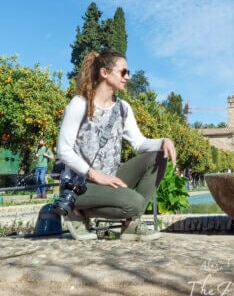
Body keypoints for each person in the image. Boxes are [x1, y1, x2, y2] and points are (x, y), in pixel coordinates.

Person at [57, 50, 177, 241]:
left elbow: (139, 143)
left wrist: (163, 142)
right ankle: (76, 210)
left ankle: (129, 225)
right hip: (79, 185)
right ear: (105, 73)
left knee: (158, 156)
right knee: (136, 203)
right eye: (123, 72)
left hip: (110, 180)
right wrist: (97, 176)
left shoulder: (123, 108)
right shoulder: (79, 104)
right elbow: (63, 150)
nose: (127, 77)